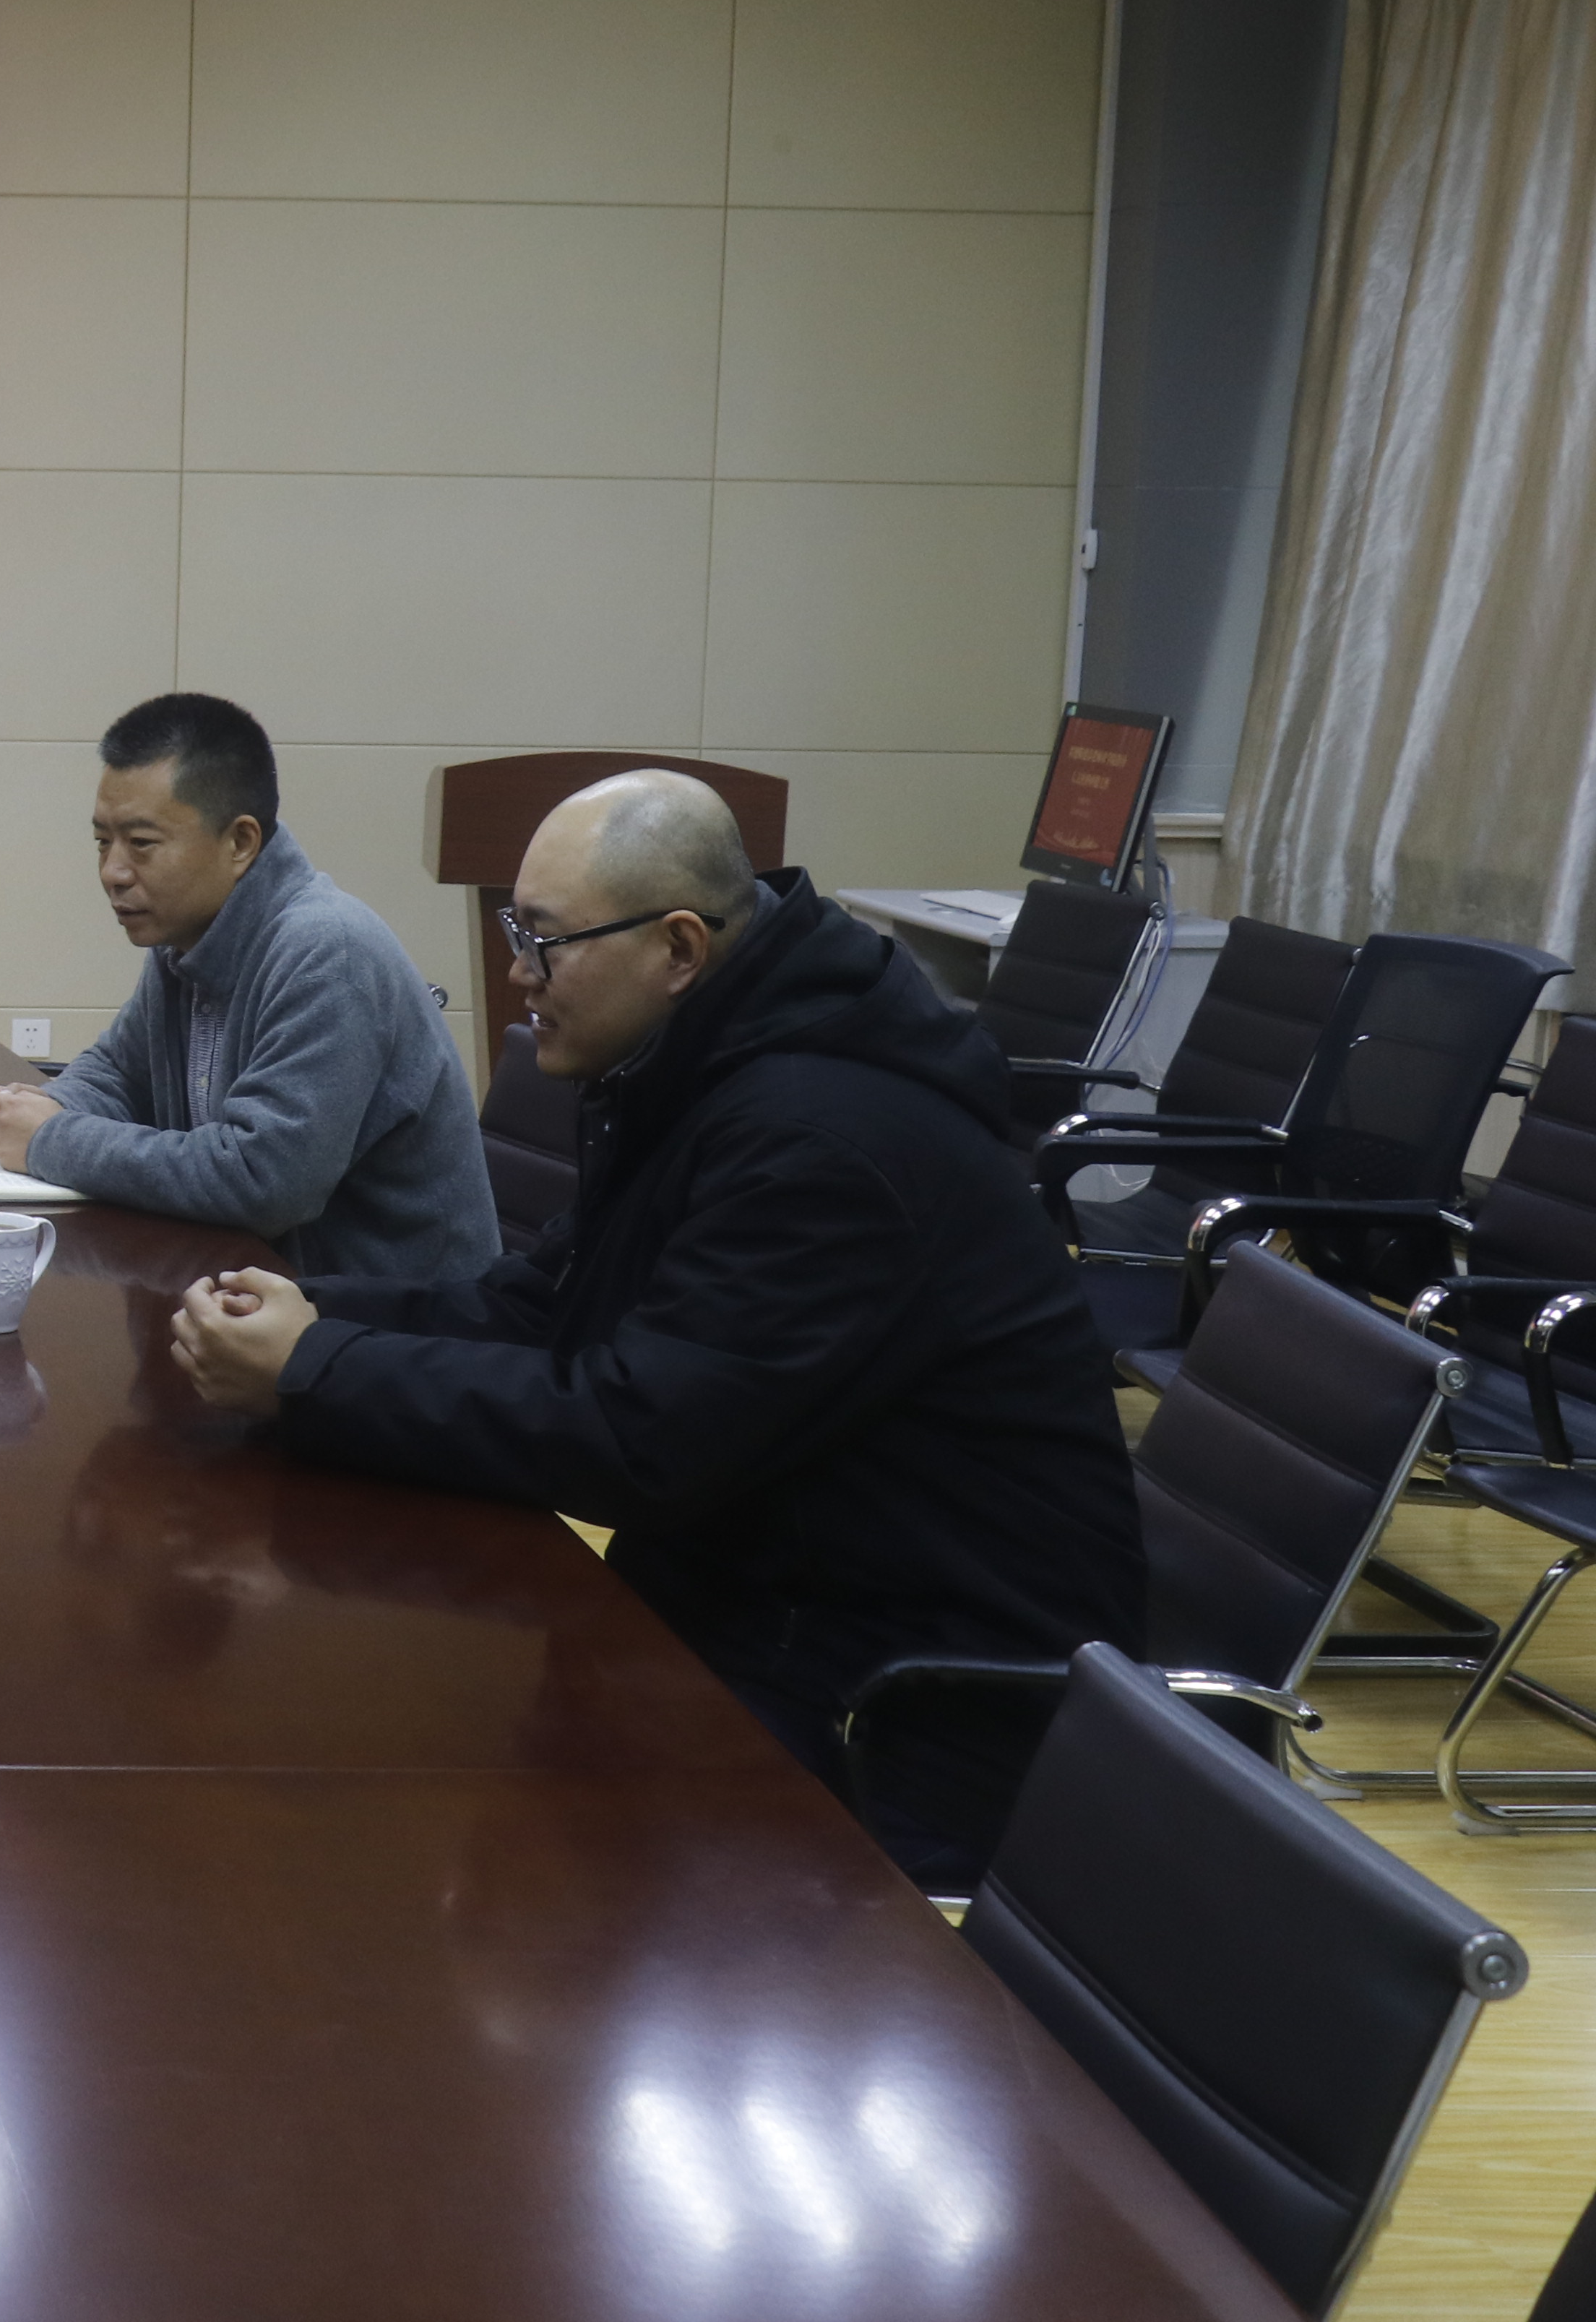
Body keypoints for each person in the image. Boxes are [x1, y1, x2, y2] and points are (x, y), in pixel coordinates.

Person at [168, 769, 1144, 1886]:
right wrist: (309, 1314)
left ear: (679, 948)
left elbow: (640, 1440)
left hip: (904, 1707)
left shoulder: (820, 1145)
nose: (518, 975)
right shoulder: (705, 1063)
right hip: (761, 1605)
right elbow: (548, 1305)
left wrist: (315, 1372)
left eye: (544, 942)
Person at [0, 692, 493, 1278]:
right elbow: (120, 1074)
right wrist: (34, 1110)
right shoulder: (185, 936)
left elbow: (264, 1182)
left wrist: (49, 1139)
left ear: (240, 843)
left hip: (389, 1318)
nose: (113, 871)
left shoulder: (327, 952)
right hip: (257, 1290)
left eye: (141, 844)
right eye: (102, 841)